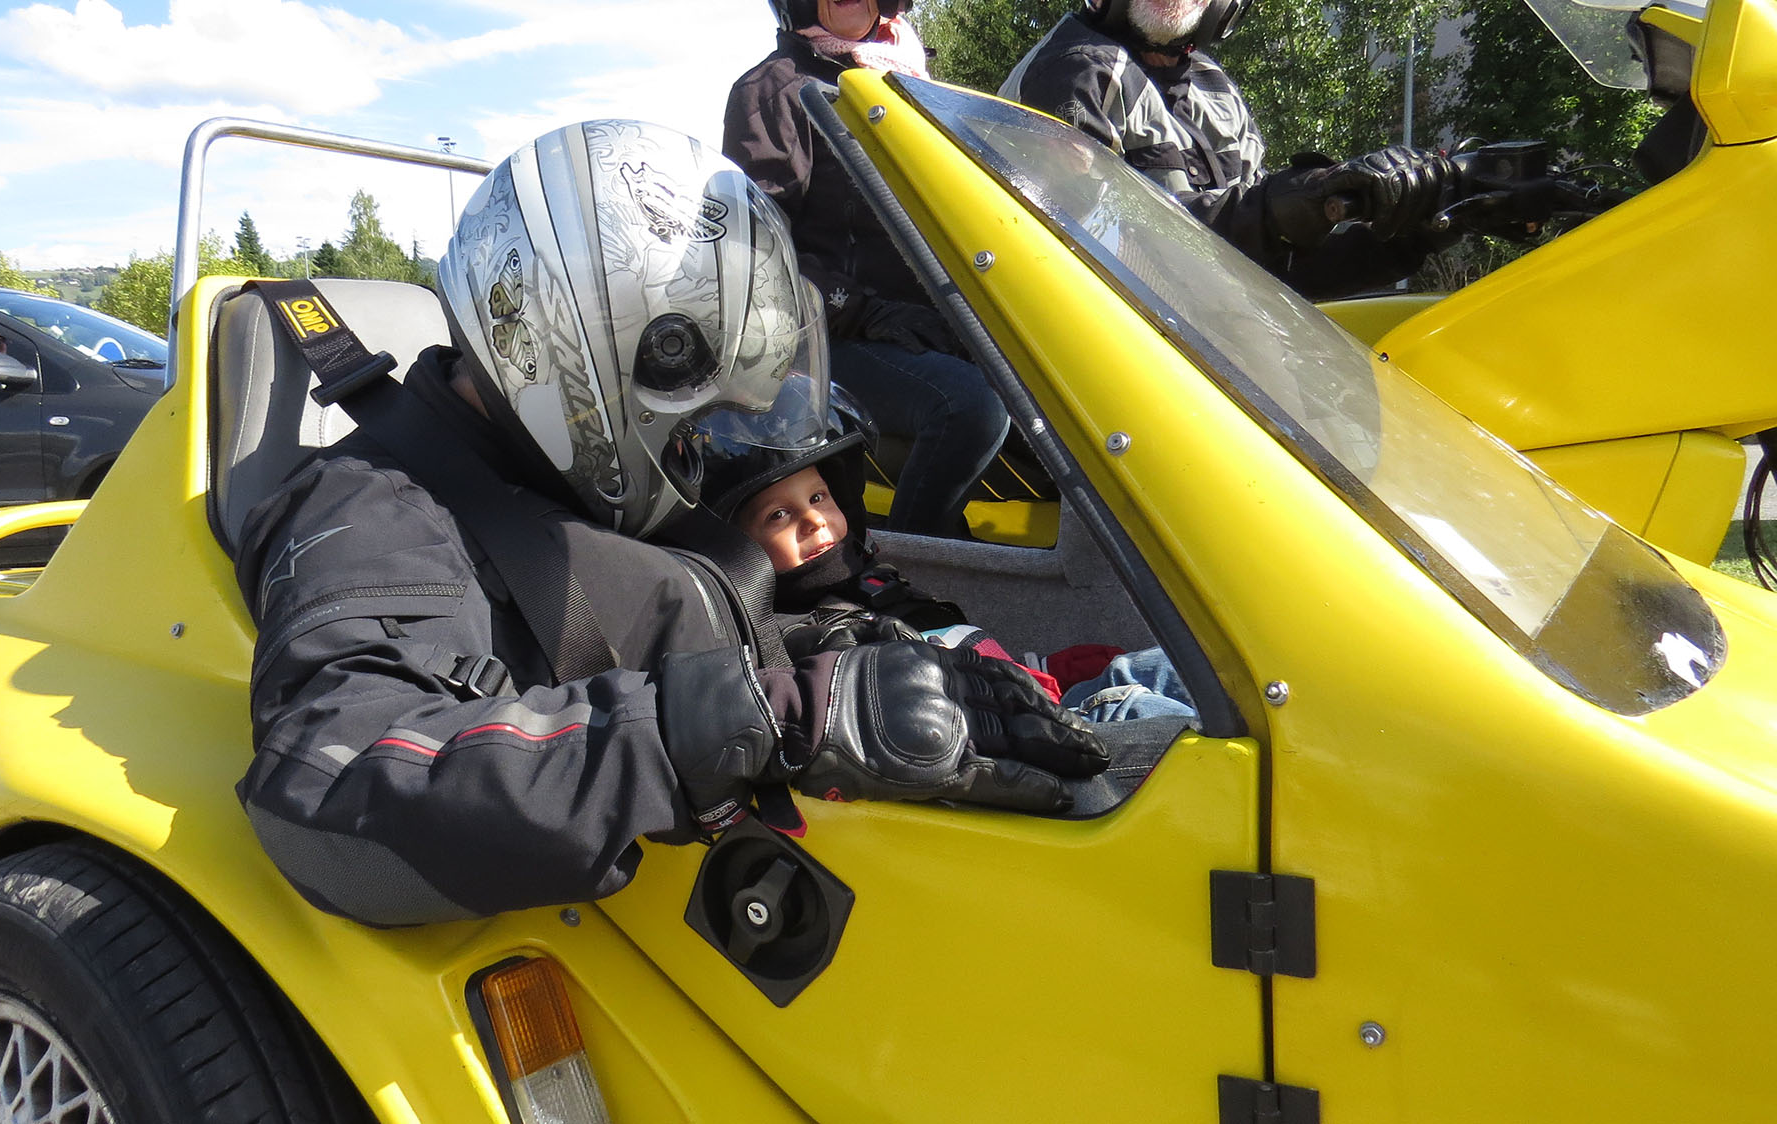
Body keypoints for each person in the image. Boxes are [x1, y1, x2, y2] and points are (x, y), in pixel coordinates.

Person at [233, 120, 1111, 928]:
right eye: (694, 400)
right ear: (557, 351)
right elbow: (331, 779)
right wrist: (767, 721)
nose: (707, 436)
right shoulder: (370, 509)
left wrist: (866, 655)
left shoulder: (568, 462)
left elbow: (667, 609)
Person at [695, 387, 1199, 724]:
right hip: (1039, 735)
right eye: (778, 517)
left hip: (1039, 697)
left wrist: (1040, 668)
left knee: (1182, 669)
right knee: (1159, 717)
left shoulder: (869, 584)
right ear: (739, 549)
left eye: (819, 497)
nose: (813, 520)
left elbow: (951, 641)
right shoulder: (810, 641)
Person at [724, 0, 1011, 536]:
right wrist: (868, 312)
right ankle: (911, 571)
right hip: (827, 335)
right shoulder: (774, 91)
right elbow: (761, 250)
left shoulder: (908, 80)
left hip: (929, 321)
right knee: (970, 407)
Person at [1000, 0, 1460, 298]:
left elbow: (1268, 274)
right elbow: (1123, 256)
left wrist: (1414, 229)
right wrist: (1295, 203)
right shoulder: (1074, 73)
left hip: (1203, 359)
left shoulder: (1211, 87)